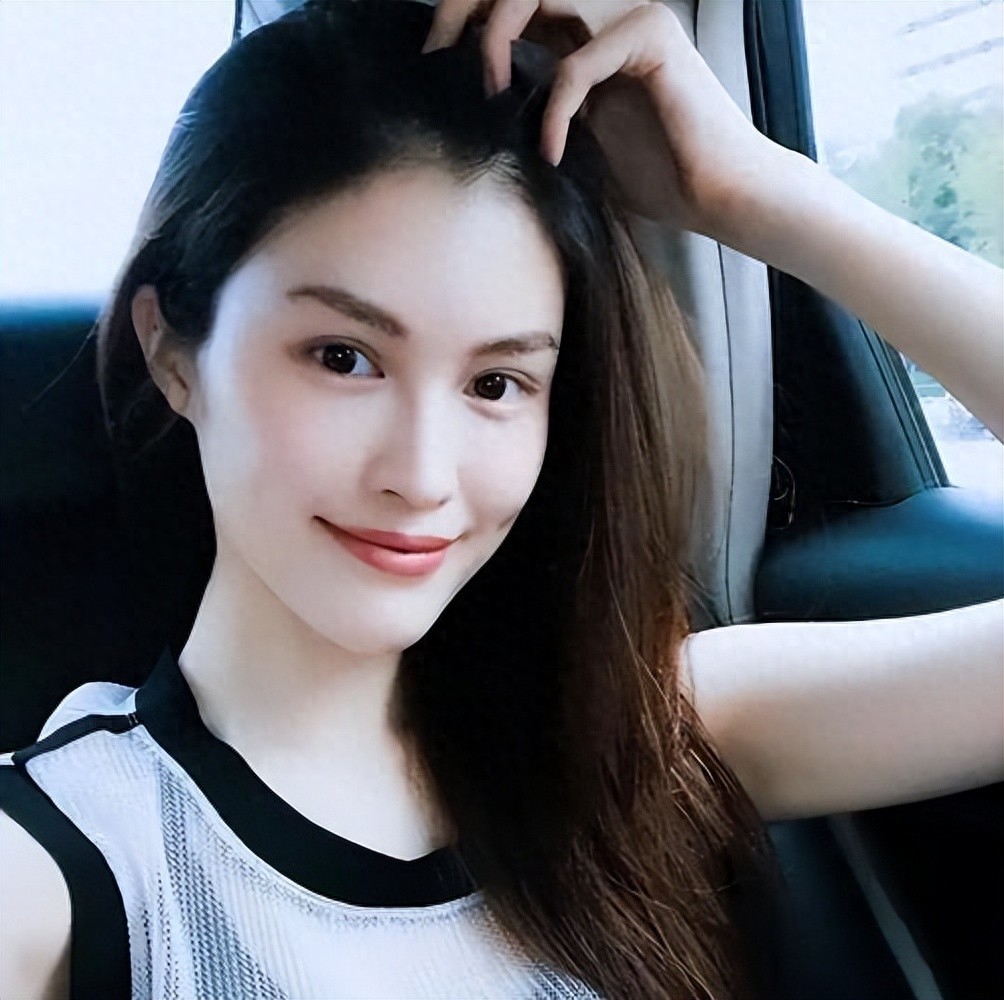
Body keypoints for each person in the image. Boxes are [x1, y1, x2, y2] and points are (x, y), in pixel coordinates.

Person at [1, 1, 1001, 998]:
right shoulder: (60, 868)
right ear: (172, 353)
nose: (422, 474)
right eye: (343, 357)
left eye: (495, 383)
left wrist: (752, 191)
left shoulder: (634, 734)